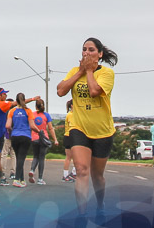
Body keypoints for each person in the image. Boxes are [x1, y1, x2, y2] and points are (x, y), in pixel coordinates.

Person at [57, 37, 118, 217]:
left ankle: (100, 205)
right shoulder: (74, 71)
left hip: (102, 131)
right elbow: (60, 91)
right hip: (79, 127)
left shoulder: (107, 73)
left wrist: (89, 71)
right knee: (82, 170)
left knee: (97, 176)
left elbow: (94, 91)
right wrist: (80, 72)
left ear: (99, 54)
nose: (86, 53)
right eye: (84, 49)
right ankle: (81, 215)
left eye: (91, 50)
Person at [4, 92, 41, 187]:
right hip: (25, 136)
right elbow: (32, 125)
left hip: (15, 136)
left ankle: (22, 179)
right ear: (24, 100)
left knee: (19, 157)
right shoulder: (28, 111)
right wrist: (39, 131)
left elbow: (7, 125)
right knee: (21, 158)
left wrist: (12, 130)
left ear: (16, 101)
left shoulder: (12, 111)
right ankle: (16, 179)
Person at [29, 99, 56, 184]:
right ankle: (40, 179)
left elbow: (30, 126)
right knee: (41, 158)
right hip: (44, 138)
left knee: (35, 156)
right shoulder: (46, 115)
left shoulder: (32, 114)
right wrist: (55, 139)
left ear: (35, 106)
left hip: (34, 138)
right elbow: (50, 128)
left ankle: (32, 170)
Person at [62, 100, 75, 182]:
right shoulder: (71, 115)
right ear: (72, 105)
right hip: (69, 136)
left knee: (76, 157)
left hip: (71, 136)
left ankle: (73, 172)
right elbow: (72, 126)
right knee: (69, 157)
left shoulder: (74, 114)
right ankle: (65, 175)